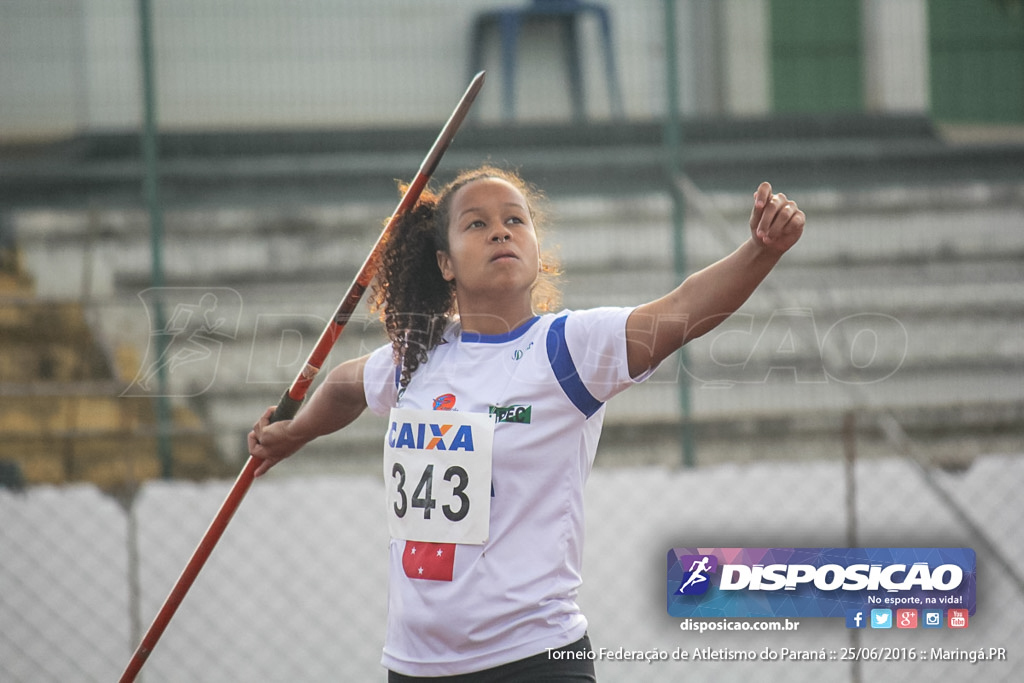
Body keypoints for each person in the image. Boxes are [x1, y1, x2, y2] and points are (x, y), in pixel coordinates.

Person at [247, 165, 805, 681]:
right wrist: (298, 432)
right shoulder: (418, 354)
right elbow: (346, 385)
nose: (501, 232)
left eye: (516, 220)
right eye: (477, 224)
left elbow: (684, 309)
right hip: (414, 663)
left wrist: (761, 250)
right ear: (445, 263)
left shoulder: (568, 349)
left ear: (537, 250)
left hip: (534, 658)